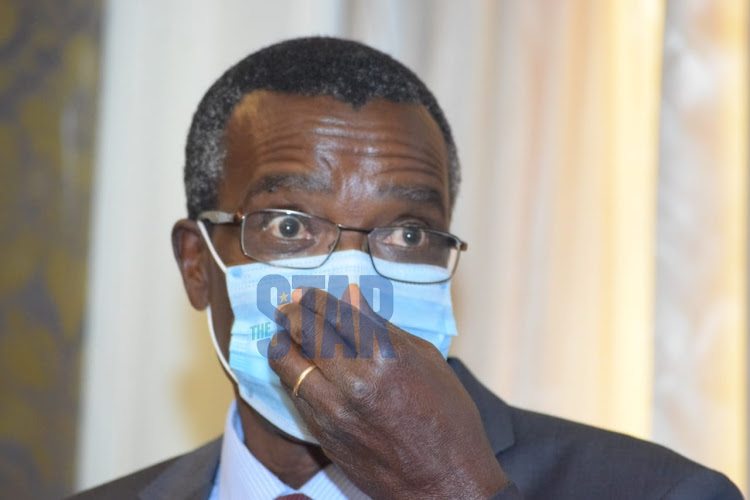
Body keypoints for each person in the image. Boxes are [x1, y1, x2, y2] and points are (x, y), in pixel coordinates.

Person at [71, 37, 742, 499]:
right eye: (290, 226)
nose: (354, 285)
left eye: (408, 231)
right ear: (197, 263)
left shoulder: (660, 492)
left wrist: (447, 487)